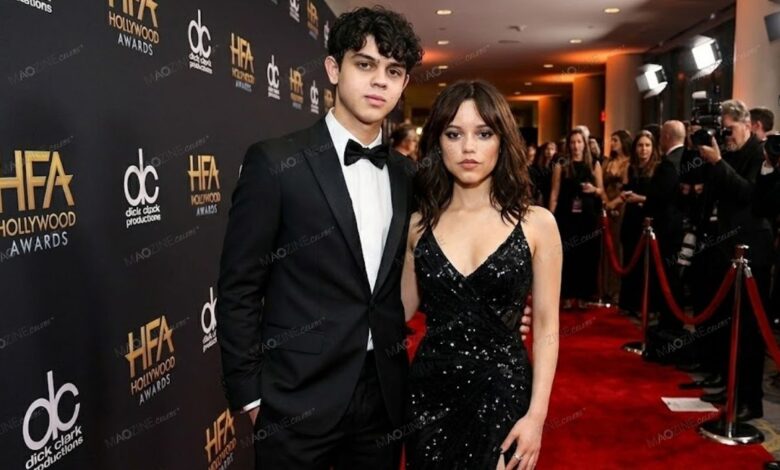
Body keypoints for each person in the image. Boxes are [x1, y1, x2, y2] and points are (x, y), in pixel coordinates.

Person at [216, 8, 424, 469]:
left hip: (383, 395)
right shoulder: (275, 162)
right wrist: (251, 397)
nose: (380, 81)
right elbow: (238, 287)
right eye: (364, 64)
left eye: (393, 71)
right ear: (333, 69)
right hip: (295, 398)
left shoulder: (406, 175)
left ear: (404, 84)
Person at [401, 80, 560, 470]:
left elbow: (546, 325)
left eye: (484, 133)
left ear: (502, 142)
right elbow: (398, 310)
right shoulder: (418, 225)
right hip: (430, 395)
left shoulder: (537, 224)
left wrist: (536, 416)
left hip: (504, 392)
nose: (468, 147)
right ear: (437, 143)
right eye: (454, 134)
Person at [696, 100, 774, 421]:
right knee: (729, 323)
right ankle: (730, 387)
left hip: (753, 250)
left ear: (747, 124)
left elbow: (750, 195)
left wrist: (718, 163)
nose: (726, 136)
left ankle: (750, 400)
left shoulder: (760, 153)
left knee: (750, 330)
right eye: (723, 130)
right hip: (727, 248)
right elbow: (713, 193)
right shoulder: (729, 152)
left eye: (729, 129)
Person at [550, 128, 605, 310]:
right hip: (566, 217)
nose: (575, 146)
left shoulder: (594, 164)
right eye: (572, 142)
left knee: (586, 256)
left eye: (579, 142)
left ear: (584, 144)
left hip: (588, 217)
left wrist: (593, 189)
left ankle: (583, 296)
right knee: (567, 256)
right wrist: (550, 218)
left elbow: (602, 192)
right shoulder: (561, 164)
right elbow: (555, 192)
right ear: (568, 145)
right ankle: (566, 295)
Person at [618, 131, 660, 316]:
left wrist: (640, 198)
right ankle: (629, 304)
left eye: (647, 145)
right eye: (640, 145)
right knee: (629, 260)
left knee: (646, 264)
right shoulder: (631, 167)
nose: (644, 149)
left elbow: (657, 197)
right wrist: (625, 195)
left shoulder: (657, 168)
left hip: (647, 219)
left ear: (653, 148)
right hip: (631, 219)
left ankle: (645, 306)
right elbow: (625, 189)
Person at [600, 130, 632, 304]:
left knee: (618, 248)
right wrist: (606, 203)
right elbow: (601, 185)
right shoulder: (607, 162)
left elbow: (627, 189)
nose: (612, 143)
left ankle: (616, 290)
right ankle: (604, 289)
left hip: (622, 207)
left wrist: (615, 204)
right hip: (606, 206)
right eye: (611, 140)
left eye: (615, 140)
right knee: (606, 247)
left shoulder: (629, 162)